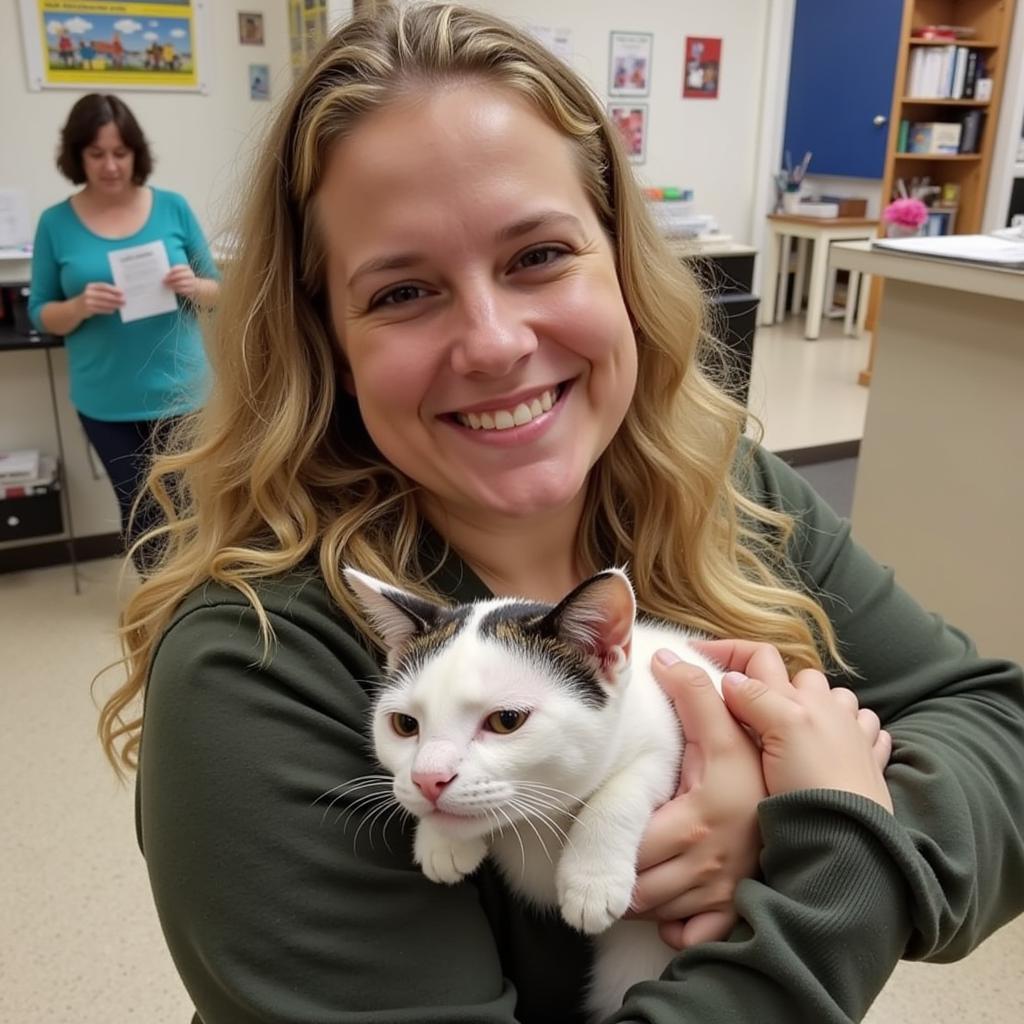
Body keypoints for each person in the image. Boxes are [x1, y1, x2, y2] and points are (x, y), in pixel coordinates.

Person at [97, 4, 1024, 1022]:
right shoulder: (261, 664)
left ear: (621, 260)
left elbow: (1000, 728)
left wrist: (773, 831)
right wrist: (841, 853)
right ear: (328, 342)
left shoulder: (722, 488)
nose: (493, 344)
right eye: (403, 291)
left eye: (537, 255)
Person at [29, 94, 218, 571]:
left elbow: (220, 292)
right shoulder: (55, 223)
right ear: (77, 156)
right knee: (140, 511)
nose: (110, 166)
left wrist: (193, 286)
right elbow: (40, 313)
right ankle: (156, 607)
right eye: (96, 154)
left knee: (195, 507)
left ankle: (200, 598)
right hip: (106, 401)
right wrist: (78, 306)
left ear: (136, 153)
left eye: (120, 153)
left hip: (182, 392)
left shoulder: (172, 207)